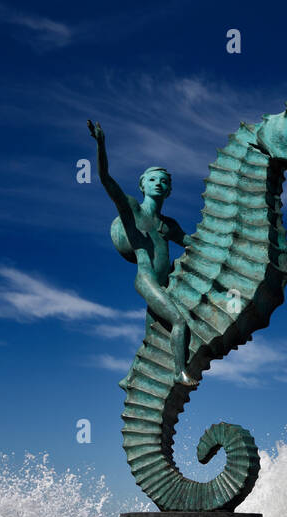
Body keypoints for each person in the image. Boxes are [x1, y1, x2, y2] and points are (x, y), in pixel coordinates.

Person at [87, 119, 195, 385]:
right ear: (142, 185)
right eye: (152, 179)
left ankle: (130, 378)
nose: (158, 183)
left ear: (169, 190)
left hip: (166, 283)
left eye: (164, 181)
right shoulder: (134, 210)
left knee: (152, 337)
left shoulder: (169, 225)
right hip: (146, 280)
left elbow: (194, 243)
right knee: (179, 322)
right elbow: (106, 180)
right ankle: (180, 372)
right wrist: (101, 144)